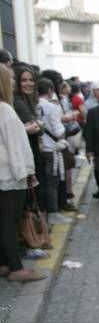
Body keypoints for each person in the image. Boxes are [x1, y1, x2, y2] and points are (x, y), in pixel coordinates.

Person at [0, 64, 46, 282]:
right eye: (10, 79)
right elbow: (15, 147)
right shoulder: (6, 110)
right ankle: (17, 268)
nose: (13, 83)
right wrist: (26, 174)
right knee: (9, 222)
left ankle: (4, 263)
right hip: (9, 176)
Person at [36, 78, 71, 225]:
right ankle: (53, 212)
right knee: (52, 183)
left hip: (39, 148)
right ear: (50, 90)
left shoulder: (33, 104)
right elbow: (58, 130)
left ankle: (46, 213)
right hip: (52, 149)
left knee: (43, 183)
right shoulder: (52, 107)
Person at [12, 65, 44, 212]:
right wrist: (38, 125)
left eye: (31, 80)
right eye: (24, 80)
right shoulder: (18, 101)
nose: (29, 83)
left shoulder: (25, 100)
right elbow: (38, 129)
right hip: (25, 154)